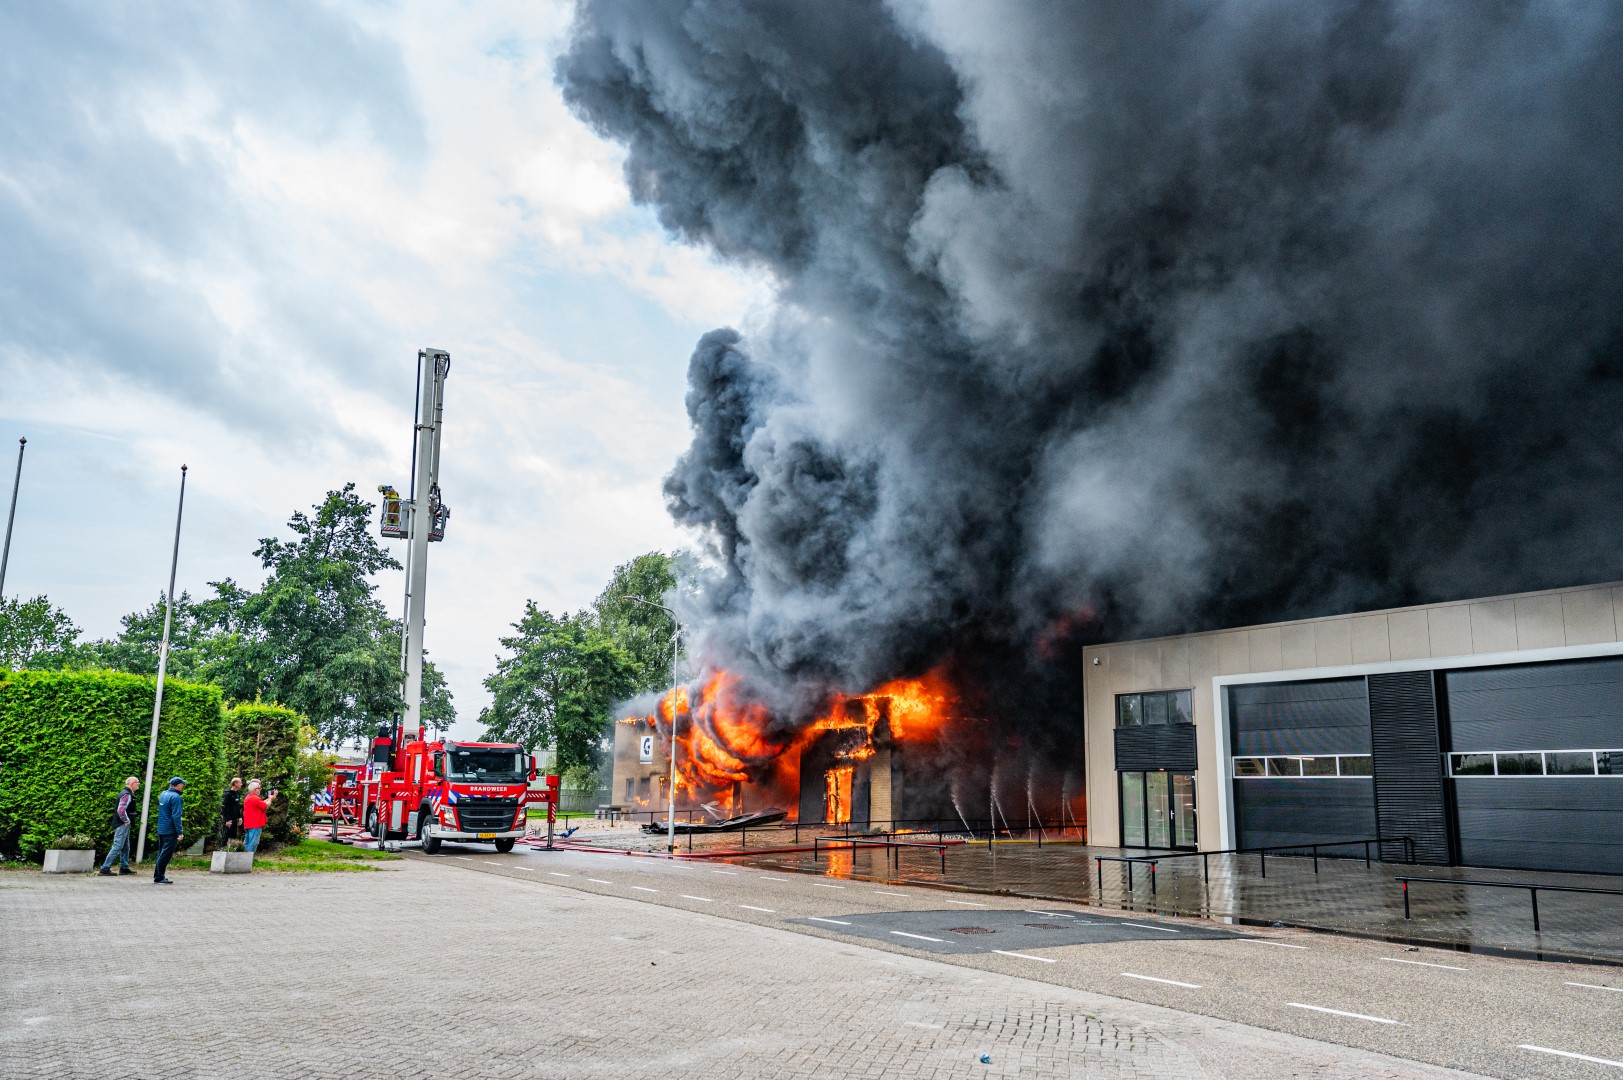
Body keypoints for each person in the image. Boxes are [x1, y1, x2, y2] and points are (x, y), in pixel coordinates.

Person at [98, 776, 140, 876]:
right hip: (122, 824)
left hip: (122, 824)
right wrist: (127, 821)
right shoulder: (127, 794)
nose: (139, 784)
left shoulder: (126, 793)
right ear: (132, 783)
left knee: (125, 847)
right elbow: (121, 810)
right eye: (137, 782)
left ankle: (124, 867)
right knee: (117, 846)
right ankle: (105, 868)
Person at [153, 776, 185, 885]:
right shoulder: (176, 797)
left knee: (161, 852)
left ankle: (158, 875)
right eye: (181, 784)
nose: (183, 786)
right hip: (170, 830)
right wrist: (180, 832)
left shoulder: (163, 794)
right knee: (165, 854)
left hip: (161, 828)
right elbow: (176, 816)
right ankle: (159, 876)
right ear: (177, 785)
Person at [241, 779, 277, 853]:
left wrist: (270, 798)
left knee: (248, 842)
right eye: (259, 788)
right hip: (255, 824)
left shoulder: (249, 797)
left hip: (249, 823)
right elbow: (265, 806)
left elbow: (261, 803)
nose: (260, 790)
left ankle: (246, 858)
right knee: (253, 843)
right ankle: (249, 859)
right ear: (254, 789)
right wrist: (270, 798)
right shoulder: (255, 798)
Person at [219, 777, 243, 844]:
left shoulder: (237, 793)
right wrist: (226, 820)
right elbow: (223, 807)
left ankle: (231, 852)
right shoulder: (227, 794)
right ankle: (222, 851)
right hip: (228, 820)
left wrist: (240, 817)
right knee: (226, 837)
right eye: (240, 783)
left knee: (233, 837)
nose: (241, 784)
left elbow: (237, 806)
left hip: (235, 819)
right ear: (235, 783)